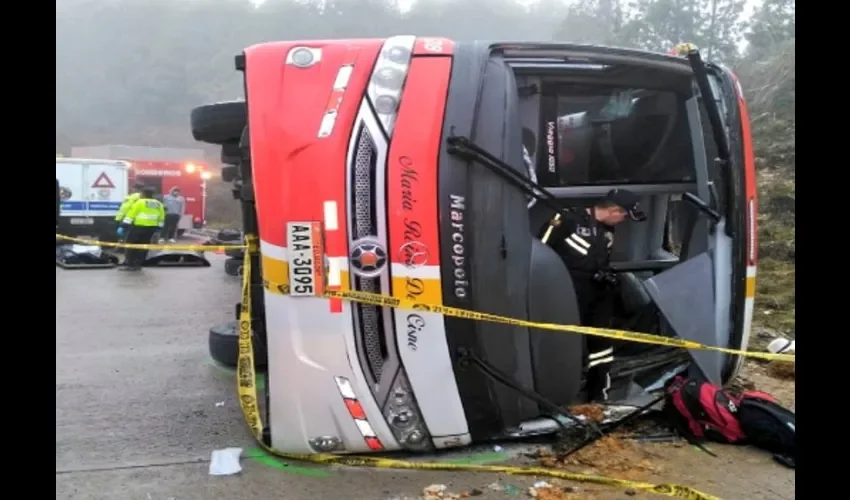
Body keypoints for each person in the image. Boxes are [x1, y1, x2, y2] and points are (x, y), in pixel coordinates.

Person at [543, 188, 646, 402]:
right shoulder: (568, 219)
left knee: (601, 346)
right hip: (565, 292)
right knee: (562, 343)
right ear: (614, 210)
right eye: (624, 216)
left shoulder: (607, 230)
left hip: (597, 294)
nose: (623, 221)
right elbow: (539, 249)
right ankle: (556, 396)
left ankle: (597, 395)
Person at [118, 186, 165, 272]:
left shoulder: (139, 202)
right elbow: (161, 217)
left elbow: (130, 215)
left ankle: (130, 264)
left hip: (138, 227)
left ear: (143, 194)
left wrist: (123, 226)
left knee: (131, 246)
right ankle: (138, 264)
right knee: (143, 246)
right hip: (151, 229)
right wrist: (159, 228)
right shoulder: (158, 204)